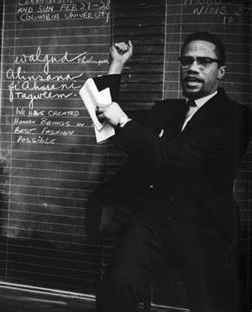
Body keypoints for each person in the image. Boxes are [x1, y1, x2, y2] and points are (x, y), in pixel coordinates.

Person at [89, 32, 249, 312]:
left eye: (204, 62)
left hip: (206, 227)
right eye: (187, 61)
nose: (193, 68)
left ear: (220, 71)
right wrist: (116, 65)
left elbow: (176, 158)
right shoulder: (167, 110)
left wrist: (123, 121)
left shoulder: (236, 117)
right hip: (154, 221)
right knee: (115, 290)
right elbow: (105, 122)